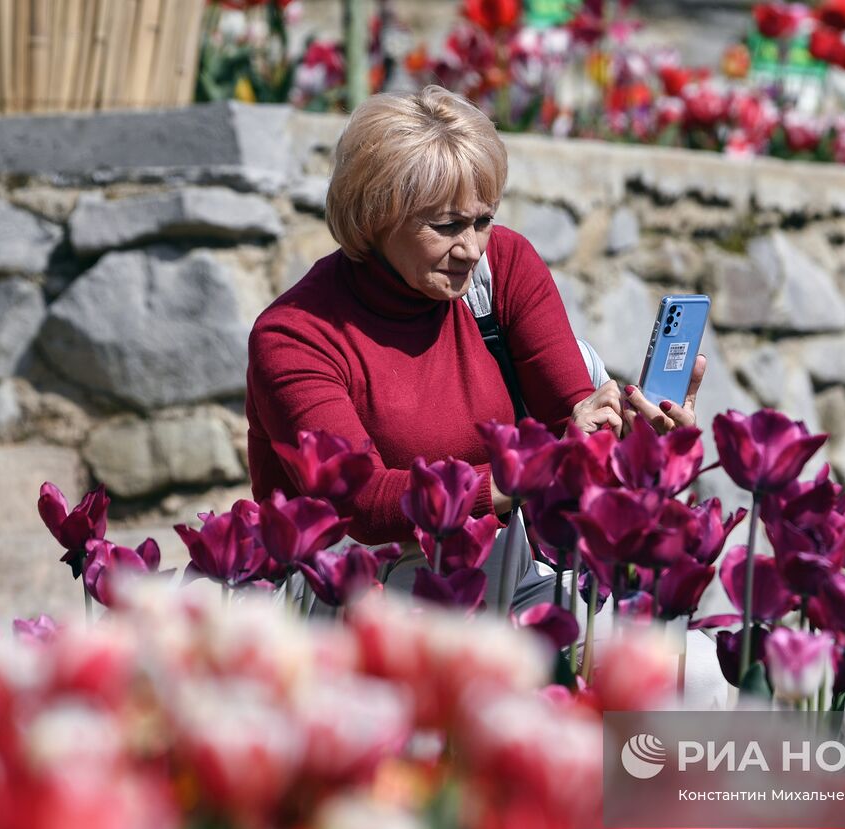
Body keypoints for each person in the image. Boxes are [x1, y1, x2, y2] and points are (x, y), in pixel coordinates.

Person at [245, 86, 705, 607]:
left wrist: (639, 438)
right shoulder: (295, 337)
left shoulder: (503, 268)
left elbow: (572, 424)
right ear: (374, 216)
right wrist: (529, 472)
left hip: (501, 571)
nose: (471, 248)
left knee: (691, 675)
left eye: (482, 220)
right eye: (445, 226)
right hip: (358, 595)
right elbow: (365, 506)